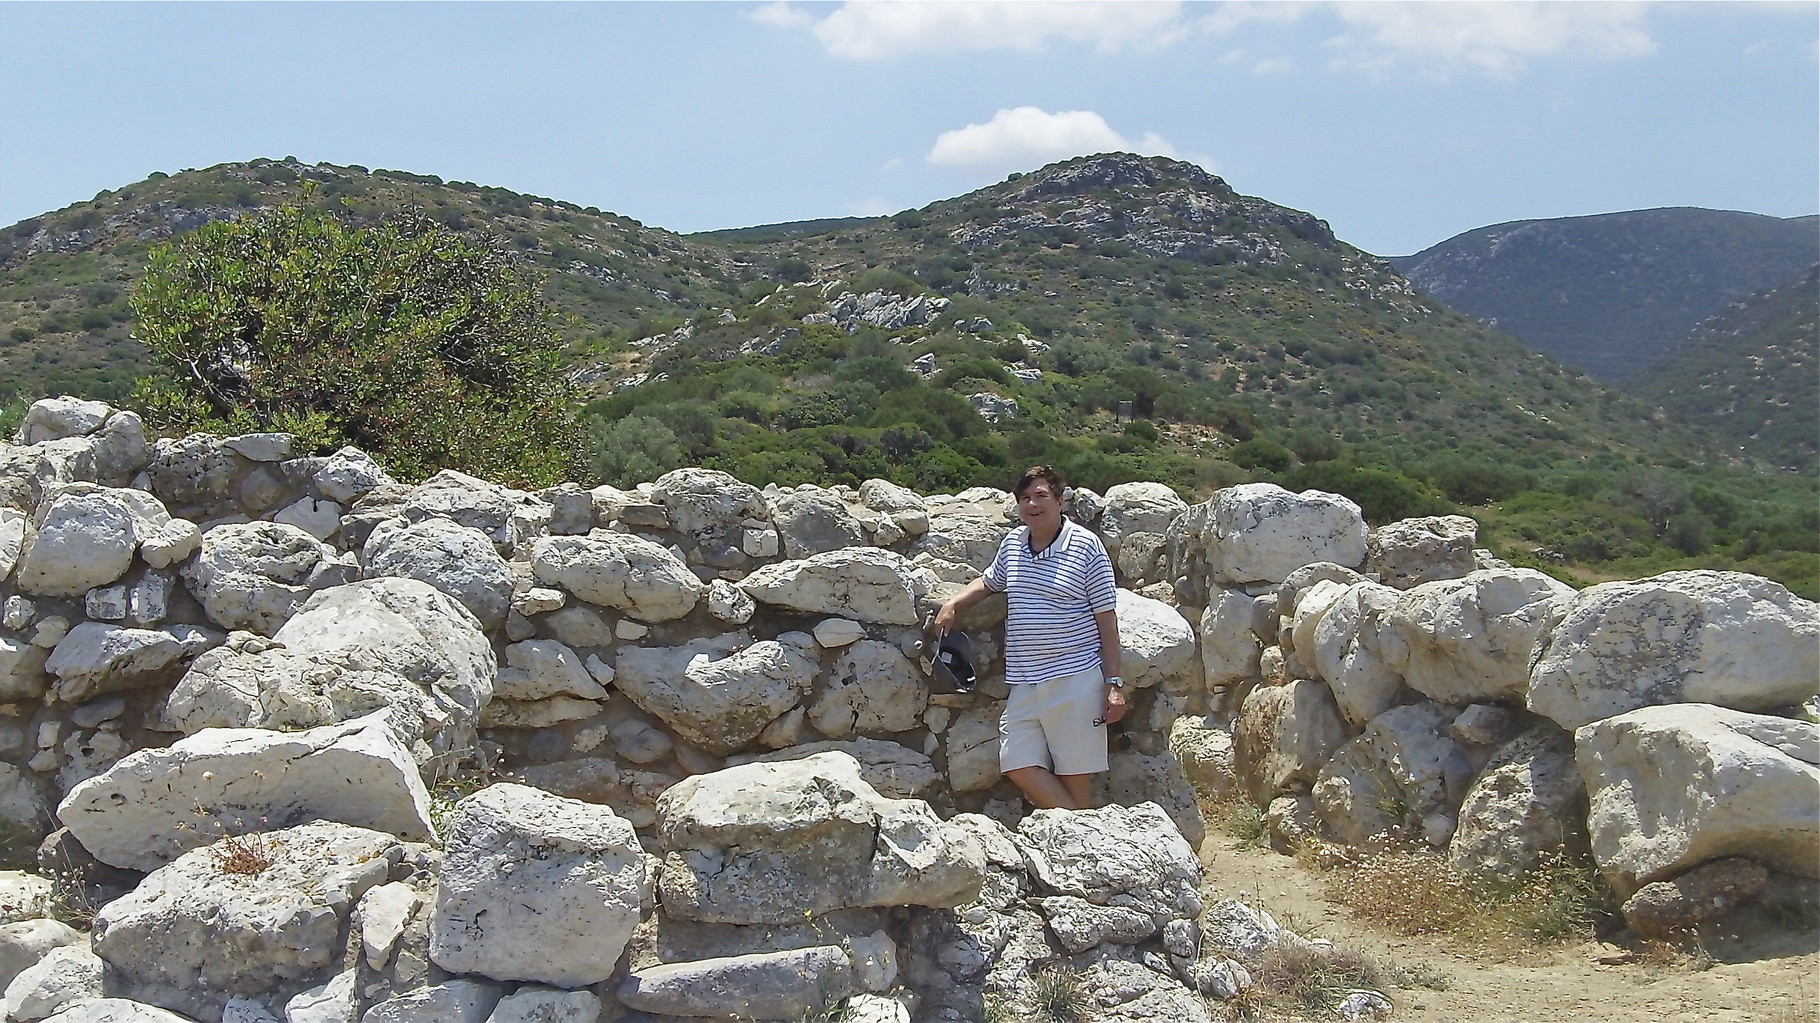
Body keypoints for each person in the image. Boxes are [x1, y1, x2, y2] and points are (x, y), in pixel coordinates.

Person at [934, 465, 1124, 810]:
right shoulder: (1014, 543)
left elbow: (1107, 620)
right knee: (1018, 763)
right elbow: (991, 580)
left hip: (1074, 678)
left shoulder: (1086, 547)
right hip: (1024, 681)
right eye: (1025, 498)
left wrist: (1113, 684)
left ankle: (1078, 846)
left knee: (1076, 778)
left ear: (1060, 501)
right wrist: (954, 603)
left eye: (1040, 496)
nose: (1032, 505)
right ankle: (1078, 831)